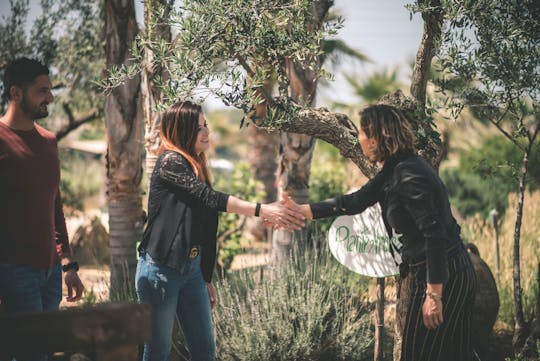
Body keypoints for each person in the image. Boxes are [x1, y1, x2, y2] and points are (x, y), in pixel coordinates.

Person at [285, 104, 477, 361]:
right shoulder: (396, 168)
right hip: (445, 271)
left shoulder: (408, 175)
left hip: (445, 277)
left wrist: (434, 295)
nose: (359, 138)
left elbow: (435, 236)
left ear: (376, 138)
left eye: (362, 133)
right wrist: (300, 211)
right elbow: (355, 202)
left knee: (420, 355)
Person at [135, 100, 304, 361]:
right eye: (198, 127)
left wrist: (205, 276)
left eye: (206, 125)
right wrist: (263, 209)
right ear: (181, 130)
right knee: (158, 352)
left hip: (191, 270)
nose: (206, 132)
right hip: (160, 269)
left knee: (205, 352)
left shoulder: (196, 166)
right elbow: (210, 199)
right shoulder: (170, 161)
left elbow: (207, 224)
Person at [0, 58, 84, 360]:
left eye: (50, 90)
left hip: (50, 275)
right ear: (16, 93)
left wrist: (68, 266)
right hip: (12, 272)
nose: (50, 97)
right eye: (42, 91)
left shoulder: (48, 142)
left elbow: (54, 208)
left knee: (42, 354)